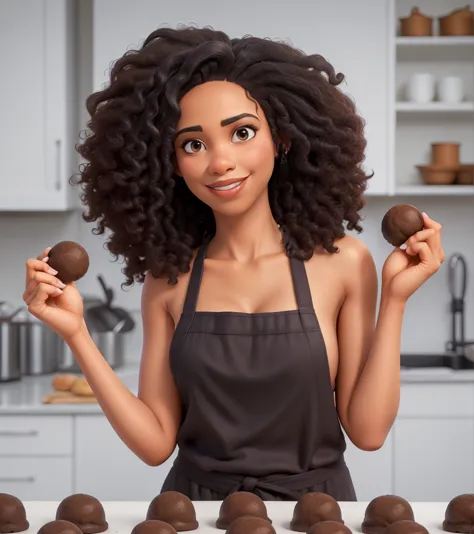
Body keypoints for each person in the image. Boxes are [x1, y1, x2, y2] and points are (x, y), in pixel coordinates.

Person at [23, 26, 444, 501]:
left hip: (318, 518)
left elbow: (367, 433)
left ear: (281, 140)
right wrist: (77, 333)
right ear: (171, 164)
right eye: (193, 144)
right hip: (194, 519)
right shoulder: (171, 279)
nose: (220, 162)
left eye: (241, 133)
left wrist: (395, 301)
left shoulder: (344, 262)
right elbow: (155, 443)